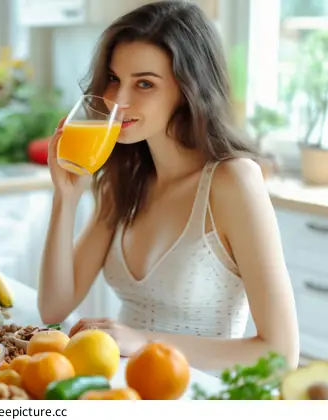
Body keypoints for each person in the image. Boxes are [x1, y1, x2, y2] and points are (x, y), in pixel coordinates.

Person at [37, 1, 299, 371]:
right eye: (114, 79)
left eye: (144, 83)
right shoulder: (123, 180)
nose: (118, 100)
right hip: (127, 392)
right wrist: (65, 197)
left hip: (202, 395)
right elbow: (54, 307)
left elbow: (280, 354)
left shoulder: (233, 181)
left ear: (189, 89)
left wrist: (144, 342)